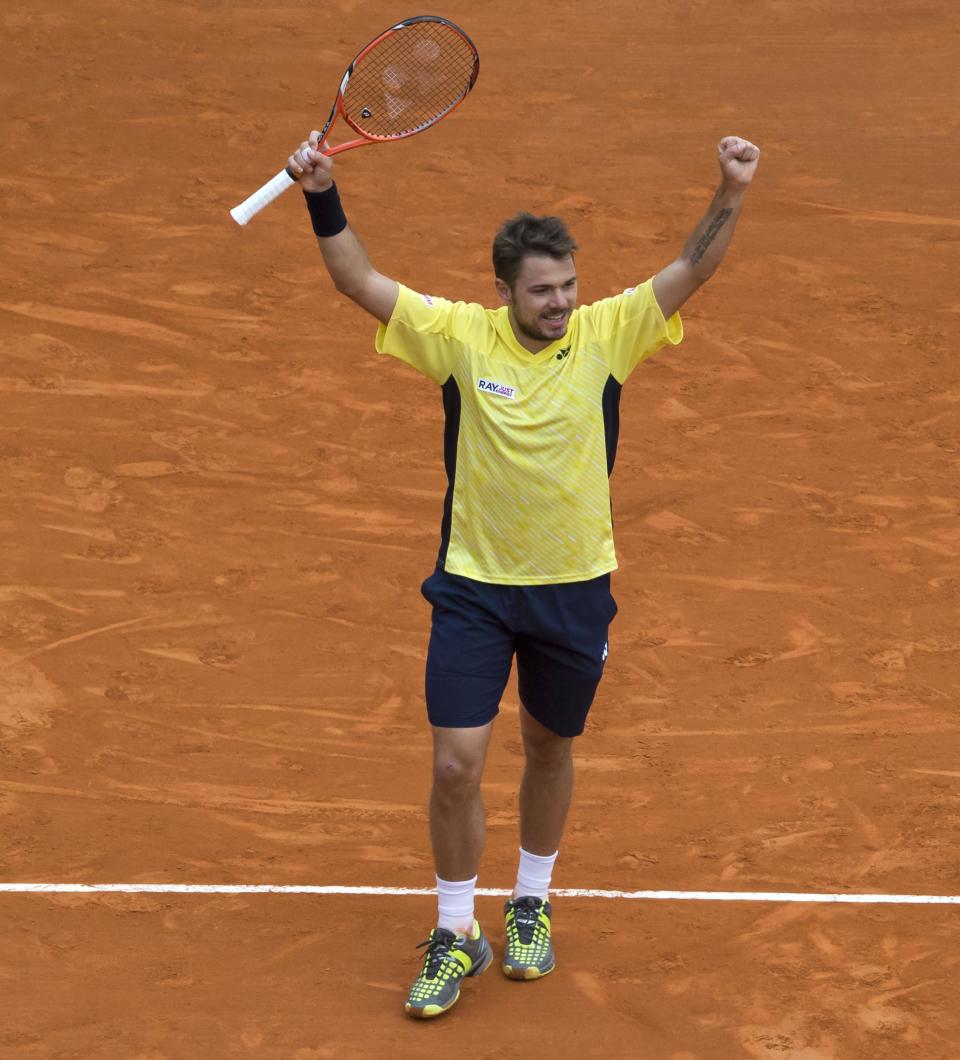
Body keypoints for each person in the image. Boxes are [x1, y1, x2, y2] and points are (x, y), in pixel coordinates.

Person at [287, 132, 760, 1018]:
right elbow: (358, 282)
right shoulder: (460, 338)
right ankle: (457, 929)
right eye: (542, 291)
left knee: (549, 746)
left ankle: (531, 902)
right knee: (456, 764)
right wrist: (323, 194)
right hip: (472, 585)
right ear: (501, 290)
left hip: (575, 585)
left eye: (568, 287)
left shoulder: (606, 333)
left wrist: (730, 188)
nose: (560, 303)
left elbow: (693, 269)